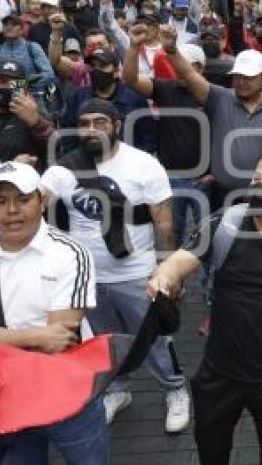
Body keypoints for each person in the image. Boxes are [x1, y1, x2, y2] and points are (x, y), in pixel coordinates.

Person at [147, 147, 262, 464]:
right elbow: (179, 261)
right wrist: (164, 278)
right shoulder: (226, 224)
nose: (260, 187)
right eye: (257, 178)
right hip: (220, 373)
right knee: (212, 453)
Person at [41, 99, 190, 432]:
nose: (91, 129)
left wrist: (167, 268)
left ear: (116, 125)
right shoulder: (65, 168)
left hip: (136, 272)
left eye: (100, 122)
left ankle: (175, 389)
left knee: (151, 338)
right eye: (84, 122)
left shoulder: (142, 165)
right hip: (88, 276)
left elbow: (163, 221)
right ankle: (118, 390)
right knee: (104, 340)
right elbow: (36, 199)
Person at [0, 161, 107, 463]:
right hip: (9, 396)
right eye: (0, 201)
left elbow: (60, 340)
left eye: (23, 199)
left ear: (42, 201)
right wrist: (34, 334)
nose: (12, 210)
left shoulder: (71, 252)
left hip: (67, 393)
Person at [164, 29, 262, 208]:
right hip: (222, 197)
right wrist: (172, 51)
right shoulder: (219, 98)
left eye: (248, 77)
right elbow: (190, 76)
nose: (241, 82)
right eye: (237, 77)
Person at [122, 24, 207, 245]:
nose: (181, 69)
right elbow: (130, 79)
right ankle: (173, 279)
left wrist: (214, 173)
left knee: (207, 235)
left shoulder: (212, 95)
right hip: (171, 177)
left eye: (188, 65)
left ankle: (210, 279)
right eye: (177, 63)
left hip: (205, 178)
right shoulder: (165, 88)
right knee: (171, 234)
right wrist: (134, 47)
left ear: (200, 68)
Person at [64, 47, 157, 155]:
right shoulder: (78, 97)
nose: (96, 71)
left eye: (103, 66)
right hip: (89, 162)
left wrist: (136, 162)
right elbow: (68, 134)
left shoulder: (134, 97)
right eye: (92, 66)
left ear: (116, 71)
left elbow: (148, 136)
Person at [0, 59, 55, 165]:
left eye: (15, 83)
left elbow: (55, 150)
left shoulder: (36, 112)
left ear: (24, 86)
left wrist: (36, 123)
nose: (8, 87)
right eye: (2, 81)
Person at [0, 12, 56, 89]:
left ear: (22, 30)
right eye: (6, 24)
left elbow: (48, 74)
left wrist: (16, 84)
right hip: (1, 95)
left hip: (28, 95)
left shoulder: (32, 47)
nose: (9, 27)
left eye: (14, 24)